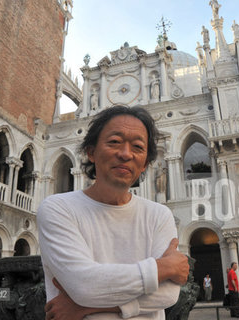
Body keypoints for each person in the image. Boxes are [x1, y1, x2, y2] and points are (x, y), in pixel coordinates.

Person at [38, 106, 189, 320]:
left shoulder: (159, 215)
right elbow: (84, 285)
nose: (126, 154)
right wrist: (163, 267)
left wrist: (86, 308)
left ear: (145, 163)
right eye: (114, 142)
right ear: (91, 152)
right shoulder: (57, 208)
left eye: (137, 147)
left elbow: (168, 293)